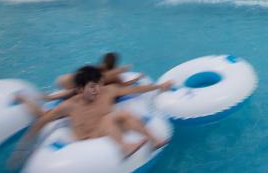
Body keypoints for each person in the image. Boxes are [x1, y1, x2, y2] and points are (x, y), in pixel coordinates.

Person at [10, 65, 171, 167]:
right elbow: (41, 122)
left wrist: (160, 86)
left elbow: (135, 90)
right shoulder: (70, 105)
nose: (98, 90)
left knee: (124, 115)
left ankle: (154, 140)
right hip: (86, 139)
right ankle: (124, 147)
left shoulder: (108, 91)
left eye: (99, 85)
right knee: (110, 117)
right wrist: (22, 149)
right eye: (92, 87)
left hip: (105, 130)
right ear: (80, 89)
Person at [49, 52, 134, 100]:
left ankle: (50, 98)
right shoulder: (111, 75)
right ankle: (50, 98)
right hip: (68, 82)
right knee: (78, 89)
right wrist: (135, 78)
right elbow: (123, 86)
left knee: (78, 89)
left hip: (62, 80)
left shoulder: (98, 68)